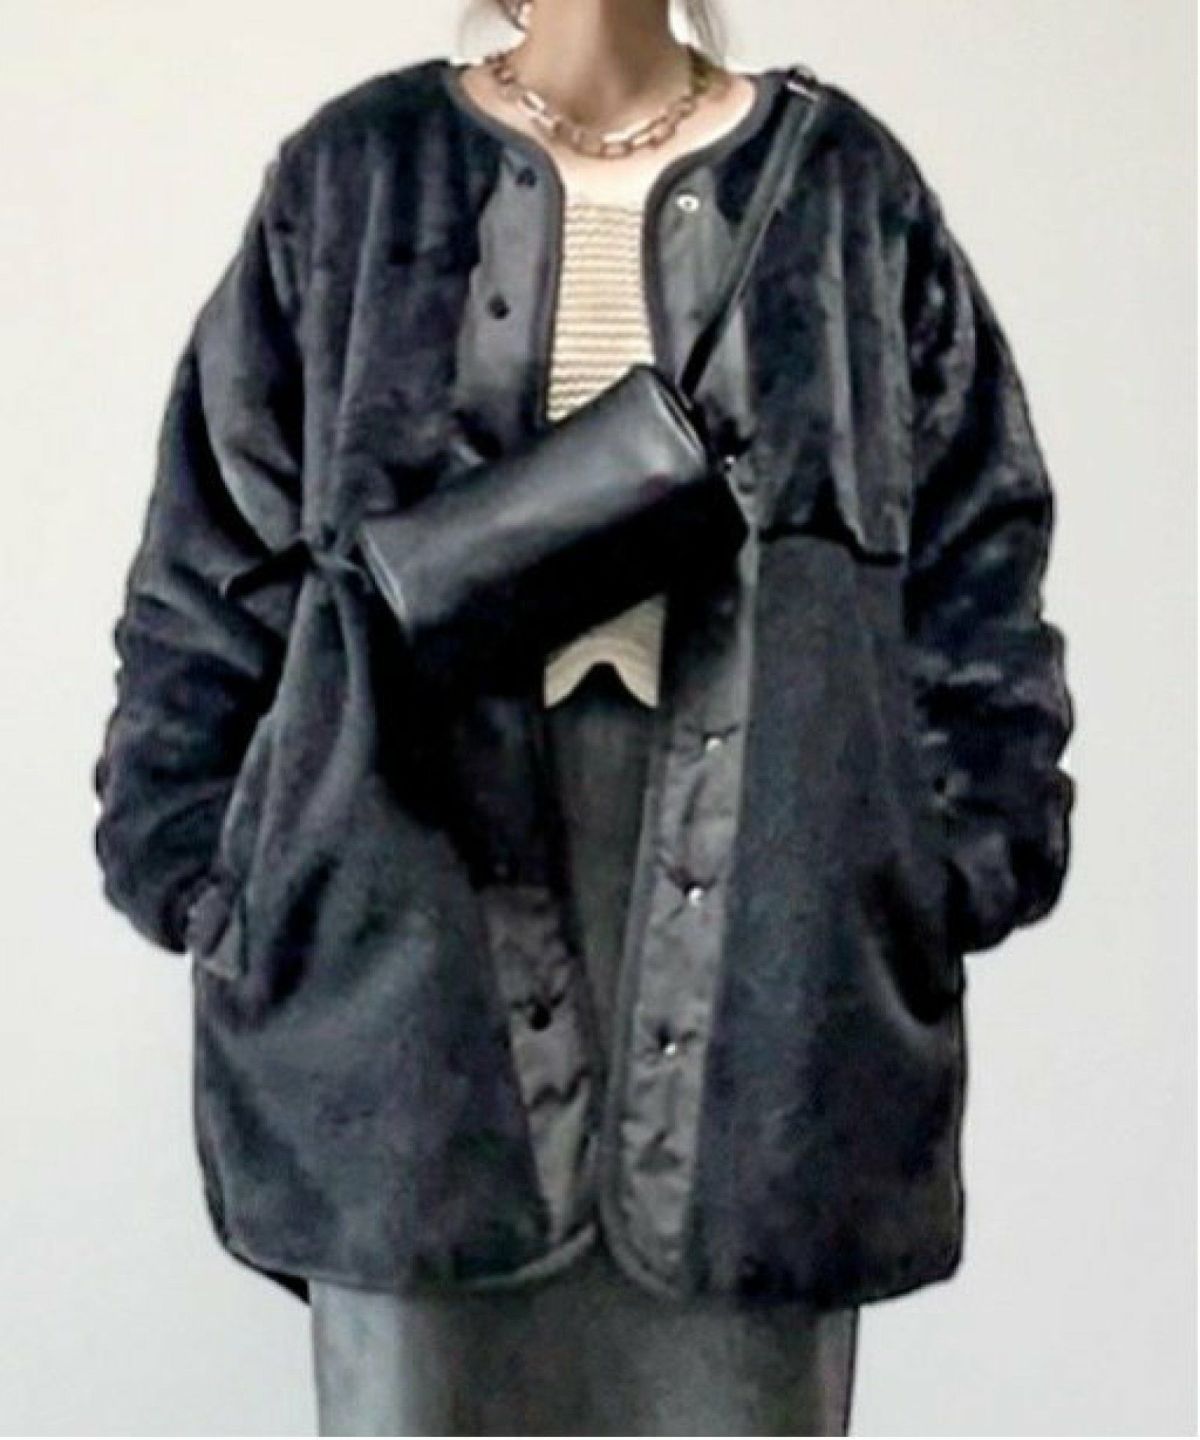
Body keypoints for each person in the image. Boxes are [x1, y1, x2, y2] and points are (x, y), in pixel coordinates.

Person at [91, 0, 1076, 1434]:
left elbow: (978, 557)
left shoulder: (843, 188)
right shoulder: (358, 177)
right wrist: (212, 871)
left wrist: (949, 866)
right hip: (406, 976)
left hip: (770, 994)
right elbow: (210, 562)